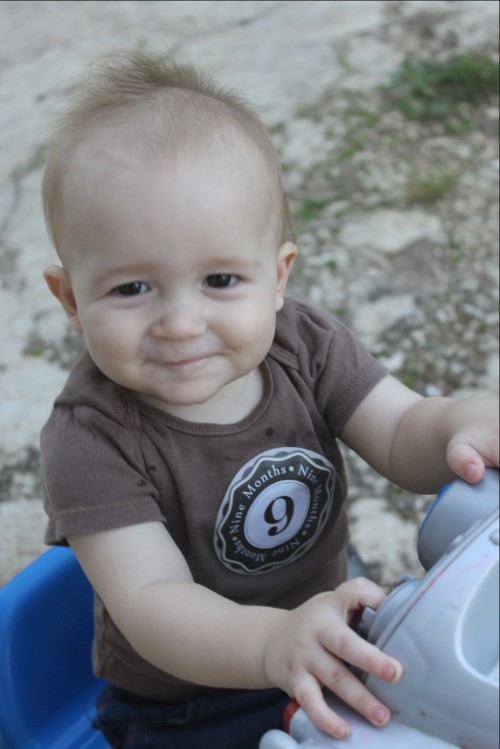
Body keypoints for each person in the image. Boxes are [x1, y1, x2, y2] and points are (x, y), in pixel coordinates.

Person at [39, 49, 499, 749]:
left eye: (220, 278)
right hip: (193, 700)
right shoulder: (90, 436)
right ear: (72, 299)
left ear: (277, 276)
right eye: (132, 288)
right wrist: (273, 641)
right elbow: (154, 603)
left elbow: (402, 427)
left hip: (335, 622)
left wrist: (460, 424)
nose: (181, 322)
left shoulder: (305, 344)